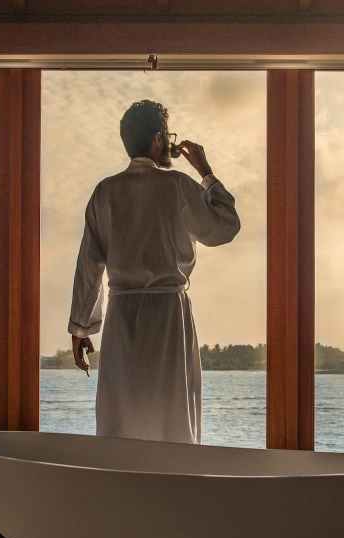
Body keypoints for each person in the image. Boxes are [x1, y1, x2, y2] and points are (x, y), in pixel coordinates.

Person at [66, 99, 240, 444]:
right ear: (159, 139)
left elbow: (89, 264)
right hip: (168, 318)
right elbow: (225, 227)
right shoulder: (177, 186)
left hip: (122, 319)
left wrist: (81, 327)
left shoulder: (106, 192)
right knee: (172, 418)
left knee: (121, 420)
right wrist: (206, 172)